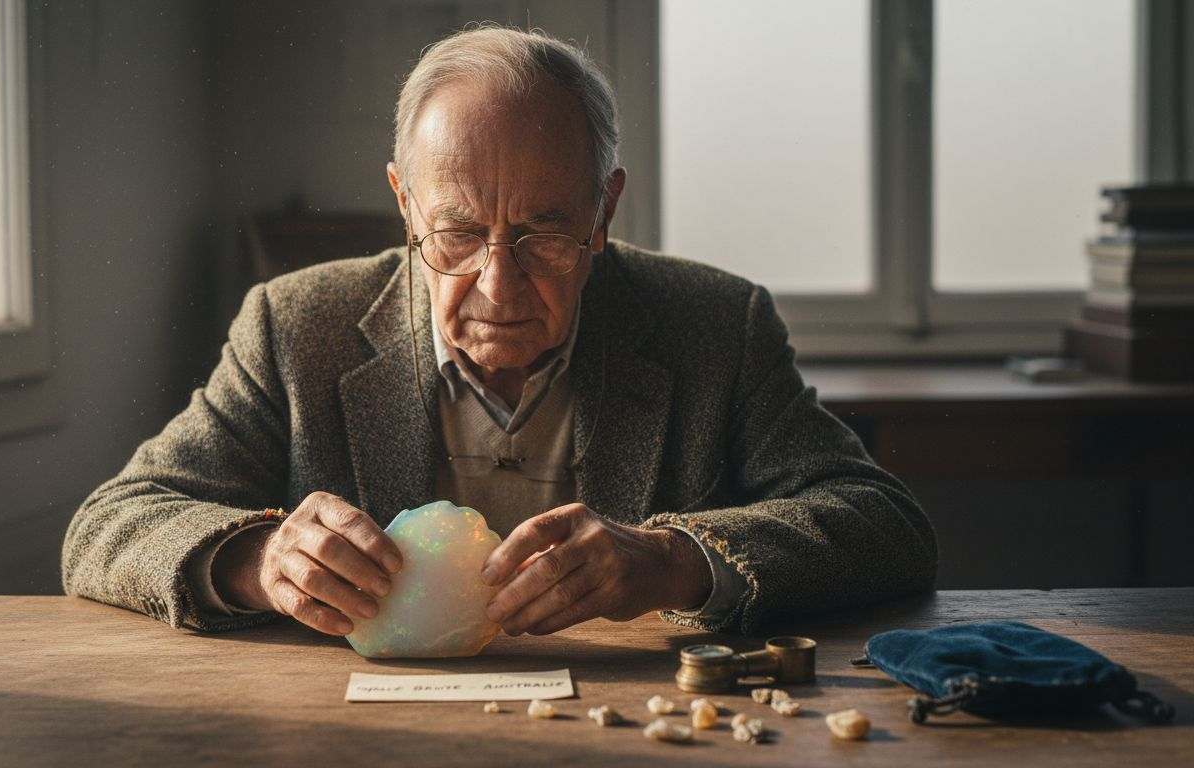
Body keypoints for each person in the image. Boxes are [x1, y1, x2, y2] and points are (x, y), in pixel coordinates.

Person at [62, 26, 936, 638]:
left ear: (605, 209)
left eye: (546, 236)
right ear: (405, 202)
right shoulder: (296, 326)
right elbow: (108, 526)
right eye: (457, 233)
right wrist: (258, 559)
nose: (499, 284)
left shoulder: (716, 323)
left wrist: (674, 562)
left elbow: (887, 527)